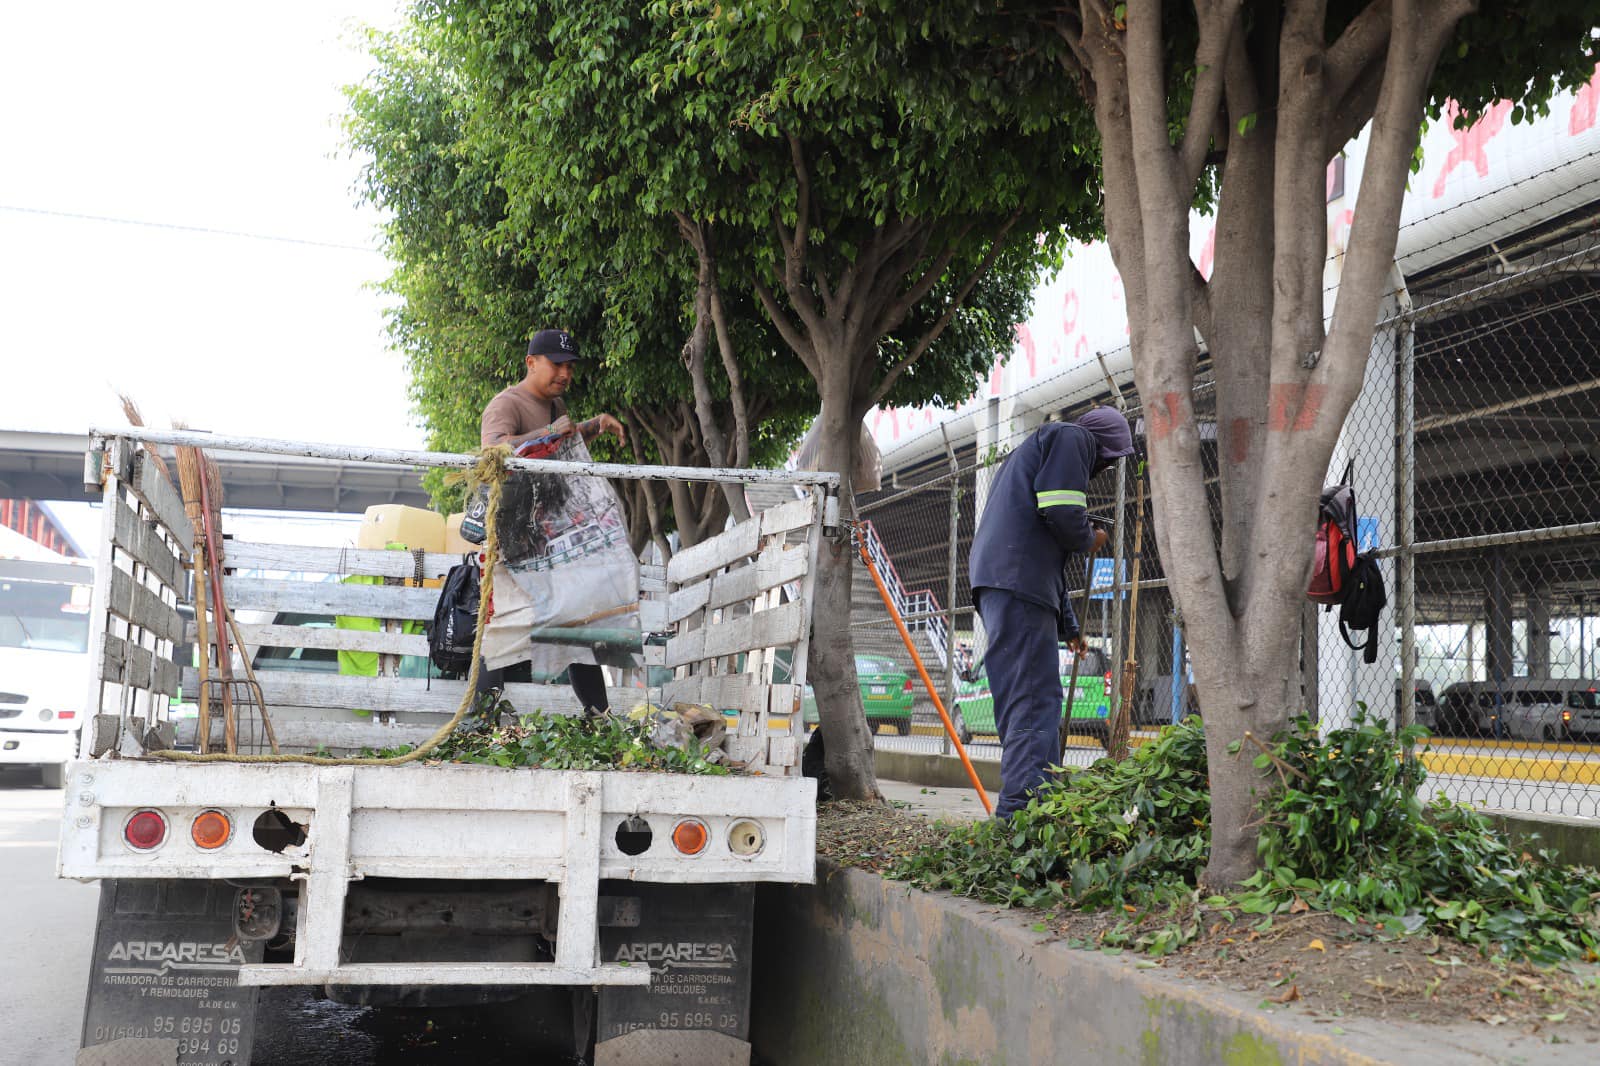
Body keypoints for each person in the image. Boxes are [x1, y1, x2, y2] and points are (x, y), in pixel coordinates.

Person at [968, 406, 1134, 817]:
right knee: (1033, 698)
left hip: (1009, 581)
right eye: (1110, 460)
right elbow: (1062, 512)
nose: (1106, 468)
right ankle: (1021, 813)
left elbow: (1042, 549)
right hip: (1017, 582)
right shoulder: (1072, 437)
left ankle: (1030, 796)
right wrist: (1089, 537)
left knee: (1026, 696)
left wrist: (1070, 627)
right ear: (1102, 447)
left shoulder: (1032, 457)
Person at [478, 328, 627, 713]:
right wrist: (548, 431)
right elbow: (494, 451)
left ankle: (598, 716)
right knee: (506, 623)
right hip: (515, 536)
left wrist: (594, 426)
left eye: (570, 367)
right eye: (557, 365)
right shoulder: (505, 404)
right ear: (531, 362)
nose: (565, 374)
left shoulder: (556, 406)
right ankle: (480, 717)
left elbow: (558, 445)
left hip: (554, 535)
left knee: (575, 622)